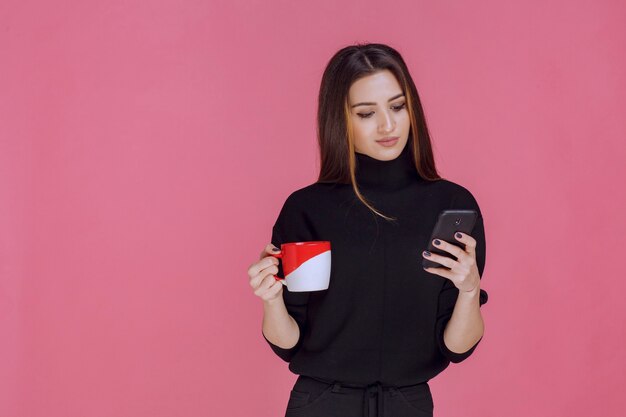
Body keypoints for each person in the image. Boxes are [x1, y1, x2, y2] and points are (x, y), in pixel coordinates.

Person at [247, 43, 489, 417]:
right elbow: (289, 343)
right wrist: (271, 299)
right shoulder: (307, 208)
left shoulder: (451, 204)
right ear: (339, 118)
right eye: (366, 113)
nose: (388, 125)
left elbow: (456, 347)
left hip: (408, 403)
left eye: (397, 106)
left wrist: (470, 289)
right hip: (321, 403)